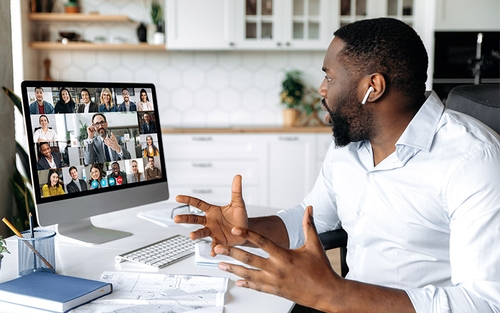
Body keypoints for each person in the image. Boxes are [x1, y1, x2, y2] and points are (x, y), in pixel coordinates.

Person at [174, 18, 500, 313]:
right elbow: (311, 219)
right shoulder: (347, 148)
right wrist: (242, 230)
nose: (322, 89)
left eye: (329, 76)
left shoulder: (473, 160)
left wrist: (335, 294)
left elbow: (484, 303)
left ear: (372, 87)